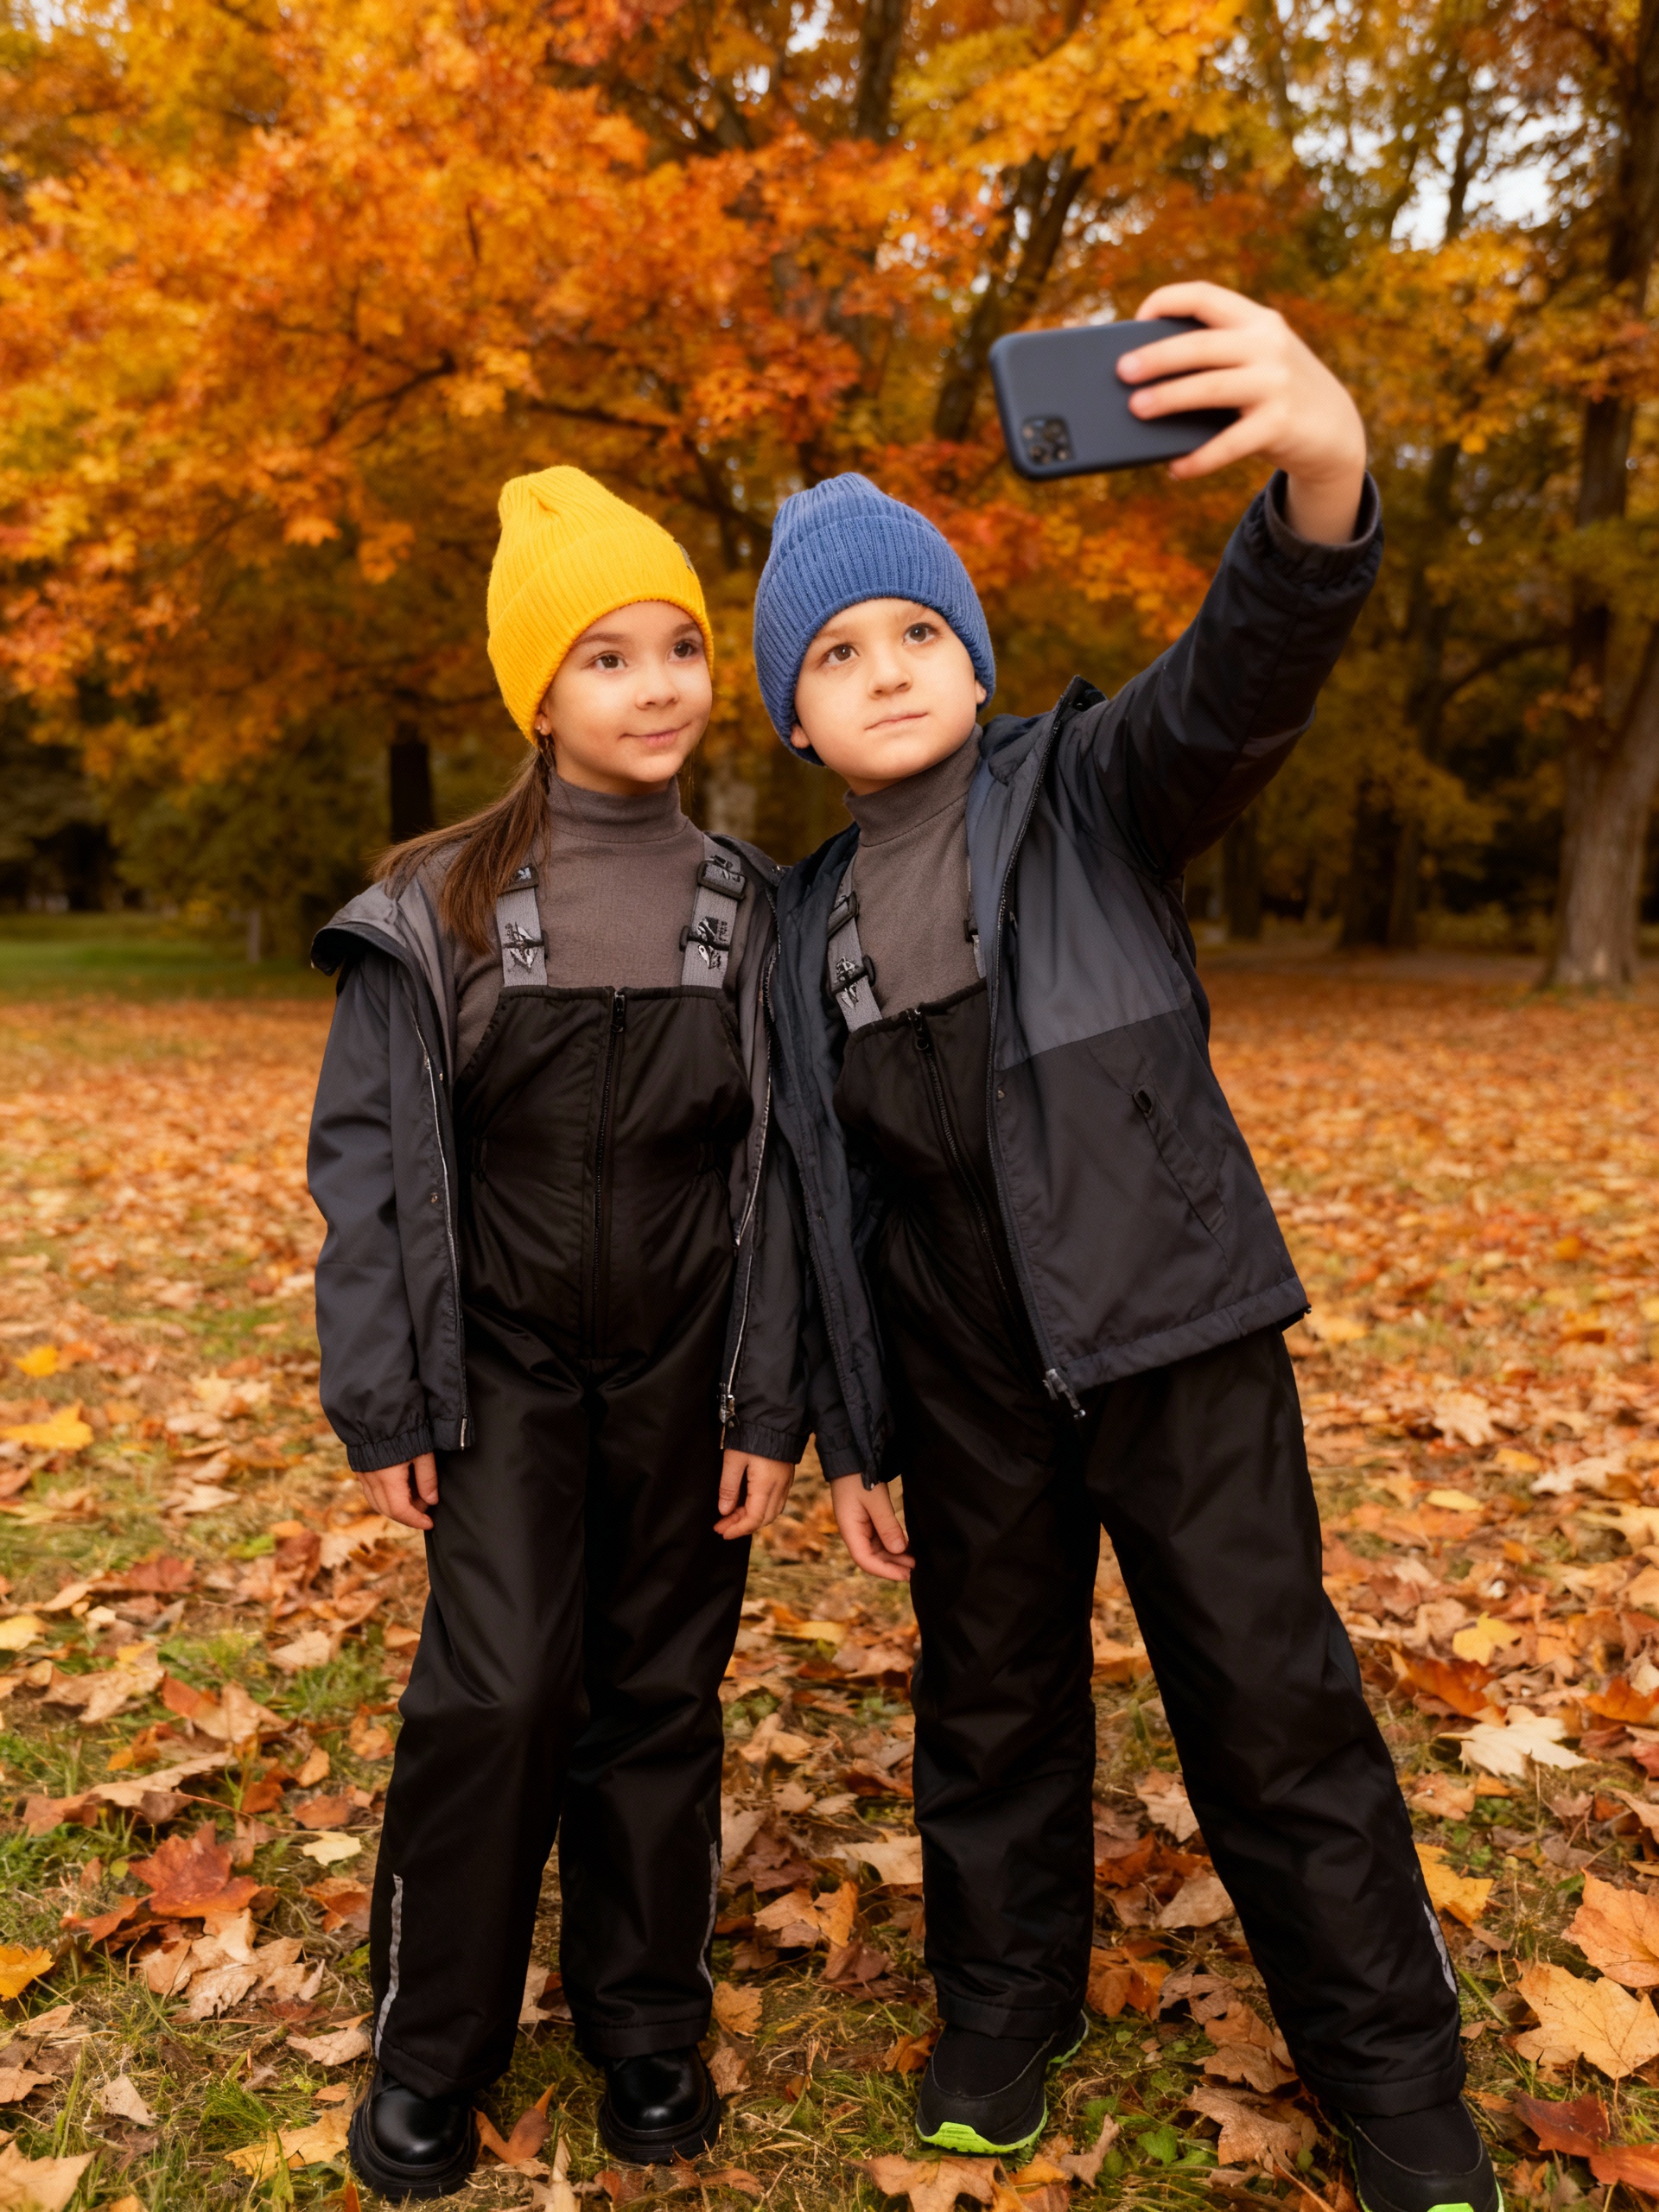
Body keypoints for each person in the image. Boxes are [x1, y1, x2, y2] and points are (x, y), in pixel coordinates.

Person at [760, 285, 1492, 2212]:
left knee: (1268, 1699)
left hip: (1173, 1331)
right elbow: (827, 1201)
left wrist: (1319, 485)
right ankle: (1006, 2010)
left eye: (920, 630)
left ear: (976, 655)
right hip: (961, 1378)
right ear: (794, 714)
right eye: (838, 651)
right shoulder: (797, 923)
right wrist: (859, 1431)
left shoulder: (1088, 790)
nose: (888, 669)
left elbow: (1240, 680)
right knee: (989, 1707)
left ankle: (1395, 2078)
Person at [308, 467, 807, 2200]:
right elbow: (368, 1171)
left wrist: (768, 1396)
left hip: (687, 1371)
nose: (658, 685)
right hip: (502, 1375)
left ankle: (645, 2022)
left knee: (659, 1692)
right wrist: (387, 1400)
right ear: (538, 695)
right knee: (502, 1688)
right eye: (607, 656)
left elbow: (787, 1177)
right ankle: (431, 2044)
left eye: (681, 646)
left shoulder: (756, 910)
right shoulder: (437, 909)